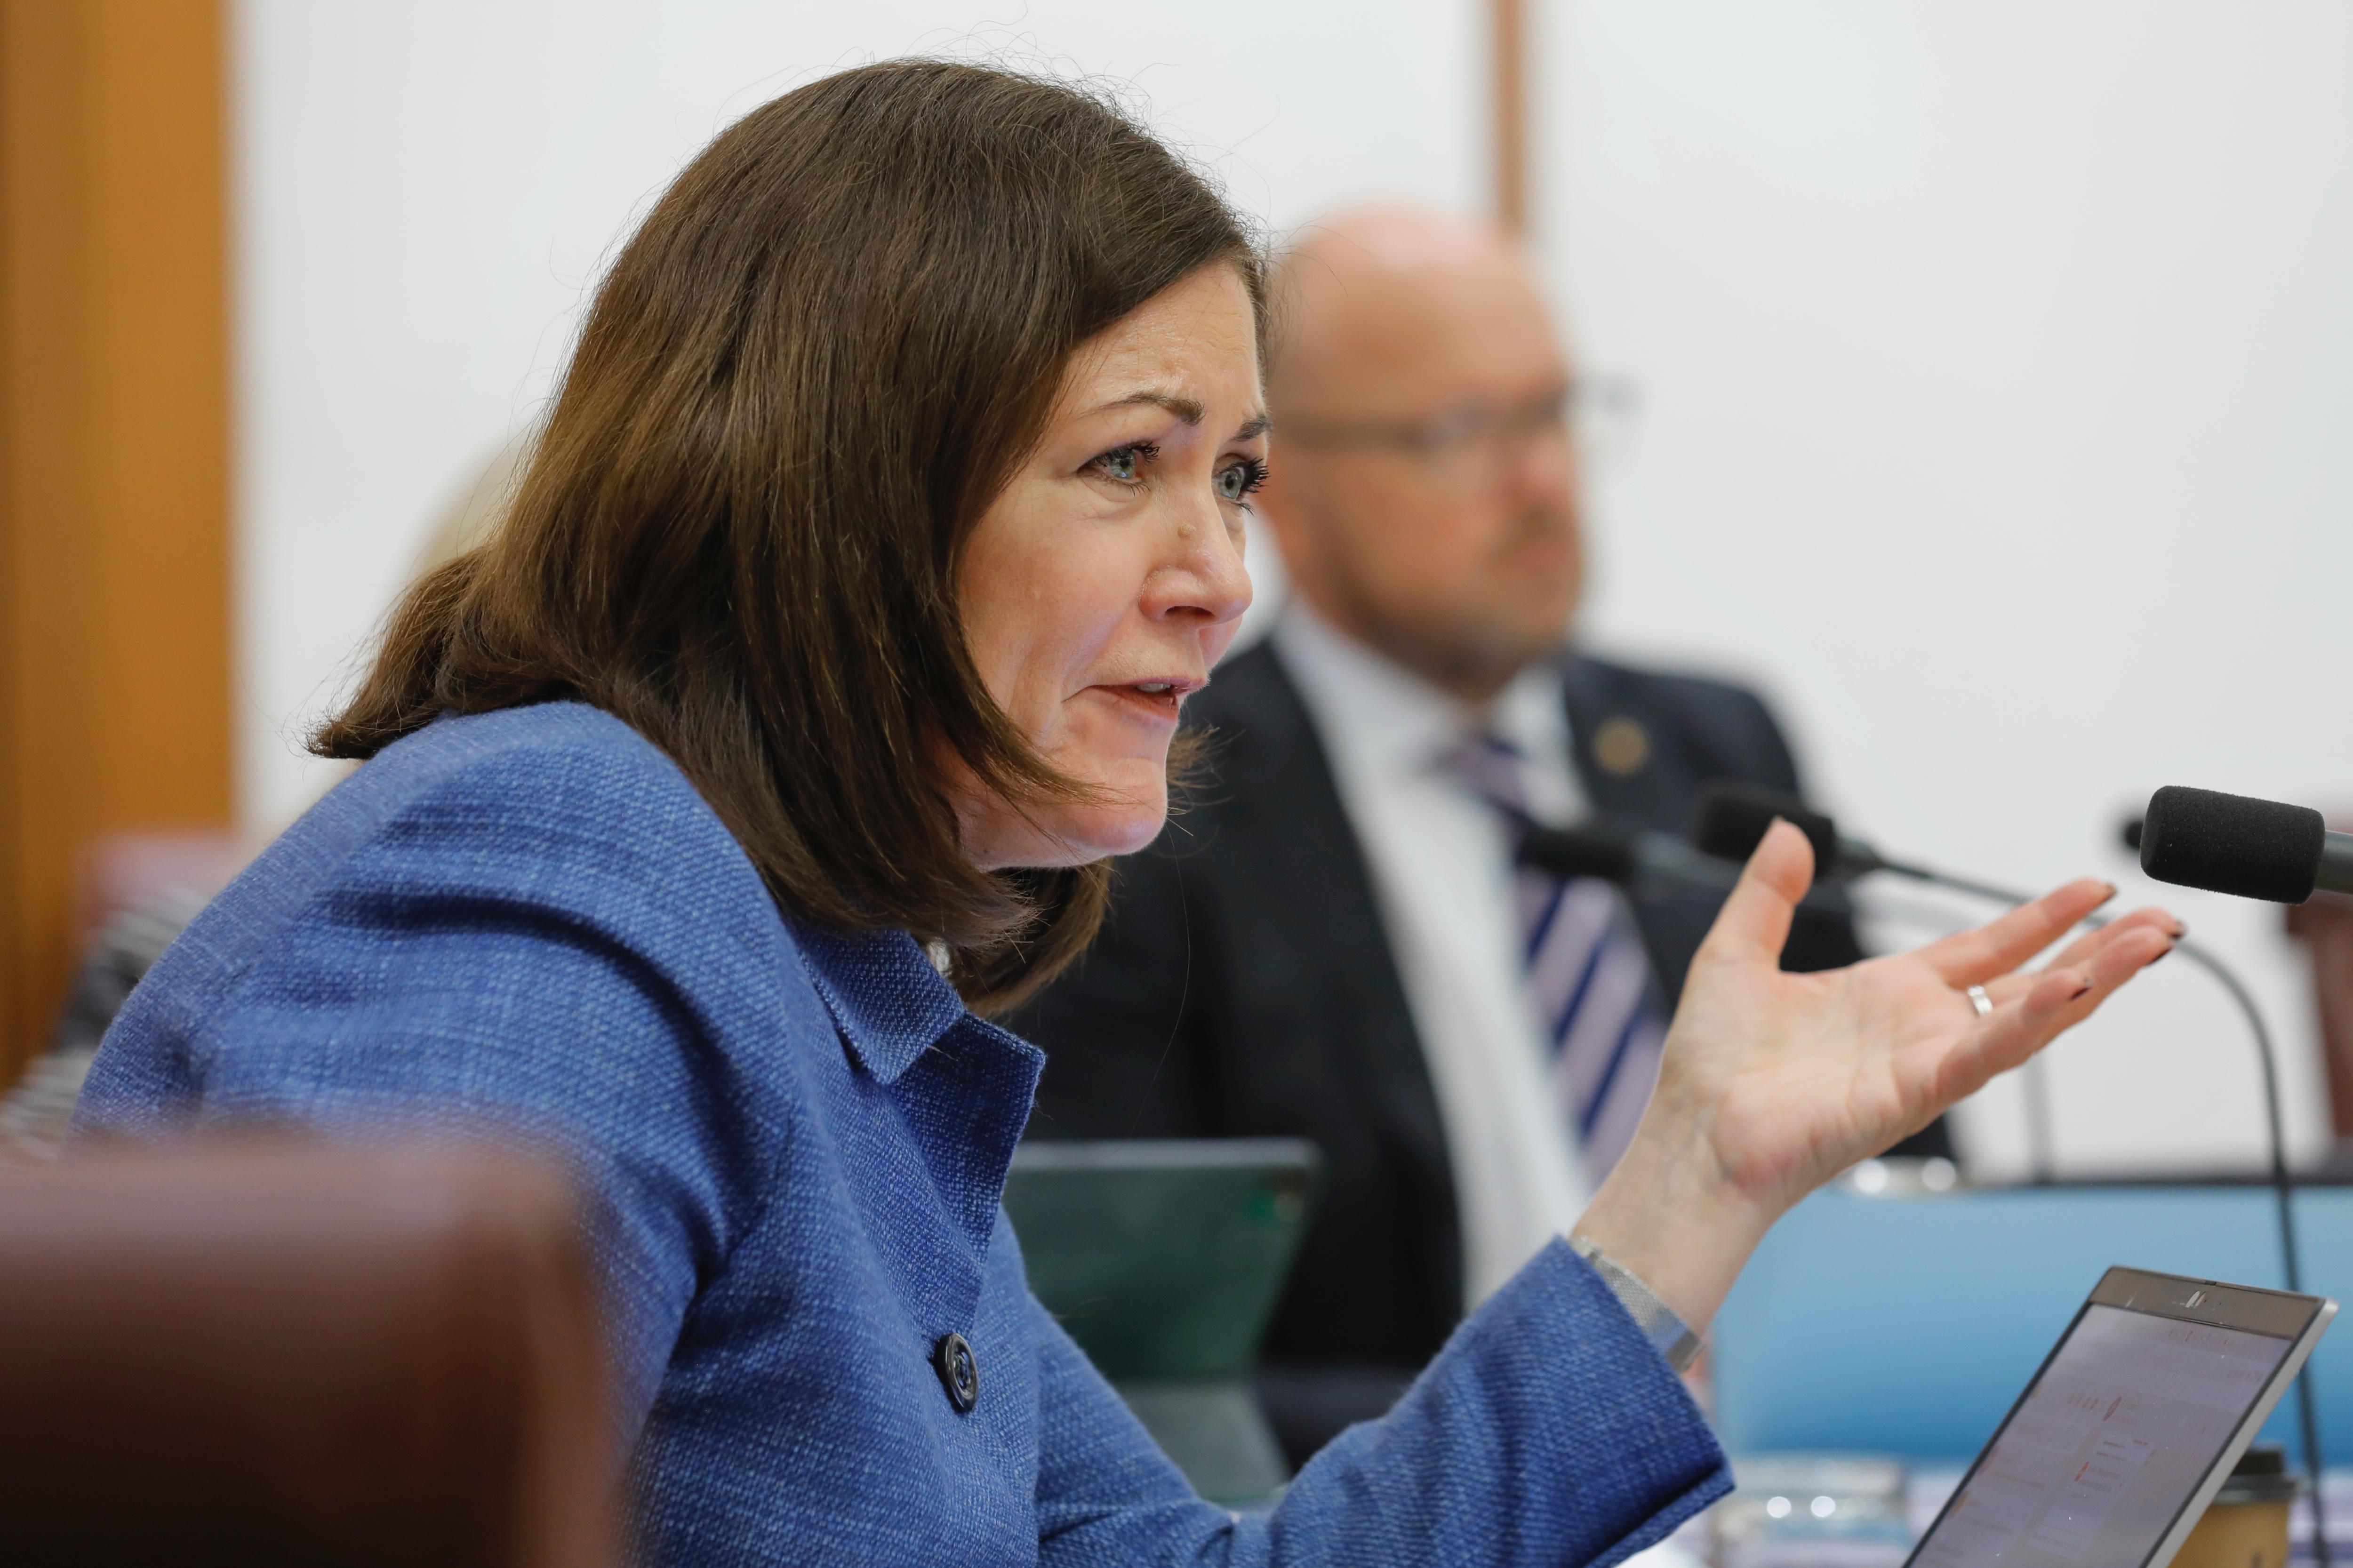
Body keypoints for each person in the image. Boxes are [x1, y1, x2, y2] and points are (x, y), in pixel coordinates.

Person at [73, 61, 2177, 1566]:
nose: (1216, 574)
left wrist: (1689, 1182)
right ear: (847, 488)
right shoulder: (546, 879)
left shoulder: (829, 975)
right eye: (1124, 464)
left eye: (1236, 474)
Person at [1010, 208, 1940, 1458]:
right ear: (1278, 485)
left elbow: (1910, 1196)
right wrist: (1574, 1423)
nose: (1541, 482)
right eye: (1462, 432)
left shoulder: (1719, 752)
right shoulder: (1148, 802)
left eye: (1554, 413)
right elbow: (1127, 1356)